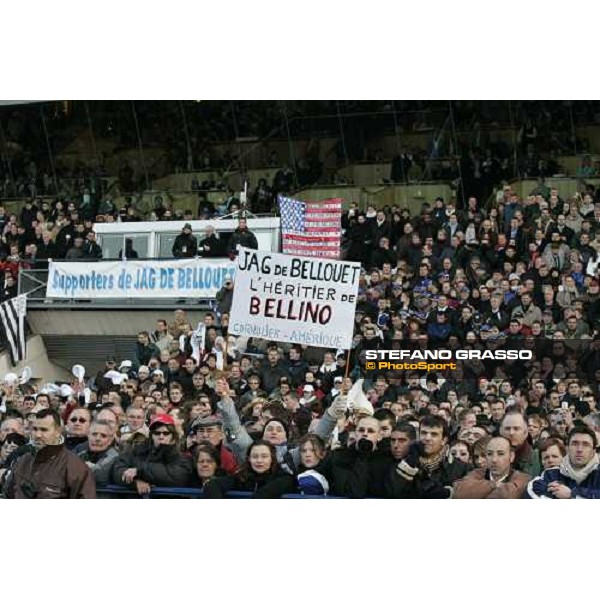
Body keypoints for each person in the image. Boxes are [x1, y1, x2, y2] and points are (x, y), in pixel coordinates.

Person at [2, 409, 96, 499]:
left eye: (44, 430)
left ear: (58, 432)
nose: (38, 435)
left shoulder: (75, 467)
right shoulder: (21, 462)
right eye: (35, 429)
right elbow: (7, 495)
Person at [386, 415, 470, 498]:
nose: (427, 438)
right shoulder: (404, 462)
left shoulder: (461, 468)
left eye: (434, 434)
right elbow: (393, 492)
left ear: (444, 440)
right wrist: (410, 463)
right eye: (423, 433)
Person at [111, 414, 193, 495]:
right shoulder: (136, 450)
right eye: (157, 433)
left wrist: (140, 471)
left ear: (172, 435)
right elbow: (117, 470)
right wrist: (134, 482)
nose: (161, 436)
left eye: (166, 433)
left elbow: (176, 477)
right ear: (151, 435)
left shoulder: (181, 456)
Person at [202, 439, 295, 498]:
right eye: (255, 456)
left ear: (272, 459)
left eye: (264, 456)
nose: (259, 460)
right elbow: (212, 485)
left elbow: (265, 493)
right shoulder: (242, 476)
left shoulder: (284, 478)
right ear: (249, 459)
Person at [526, 425, 600, 499]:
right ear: (567, 448)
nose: (579, 449)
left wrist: (572, 494)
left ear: (593, 451)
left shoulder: (597, 473)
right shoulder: (551, 474)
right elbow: (533, 489)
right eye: (574, 443)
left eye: (586, 444)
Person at [330, 416, 395, 498]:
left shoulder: (386, 459)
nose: (365, 433)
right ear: (356, 433)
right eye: (361, 430)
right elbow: (353, 492)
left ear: (379, 436)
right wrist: (363, 455)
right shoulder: (342, 457)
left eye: (371, 431)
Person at [453, 436, 531, 499]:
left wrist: (477, 493)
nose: (494, 460)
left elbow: (508, 496)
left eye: (500, 454)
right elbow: (459, 493)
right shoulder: (477, 473)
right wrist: (494, 485)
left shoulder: (523, 478)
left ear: (511, 456)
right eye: (489, 454)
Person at [77, 420, 119, 486]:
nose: (98, 439)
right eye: (94, 434)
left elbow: (100, 476)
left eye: (103, 436)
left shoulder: (115, 457)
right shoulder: (80, 455)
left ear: (110, 441)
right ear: (88, 436)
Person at [500, 411, 542, 476]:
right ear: (501, 432)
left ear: (525, 432)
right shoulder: (490, 457)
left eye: (516, 429)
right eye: (507, 428)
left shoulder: (537, 459)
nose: (511, 433)